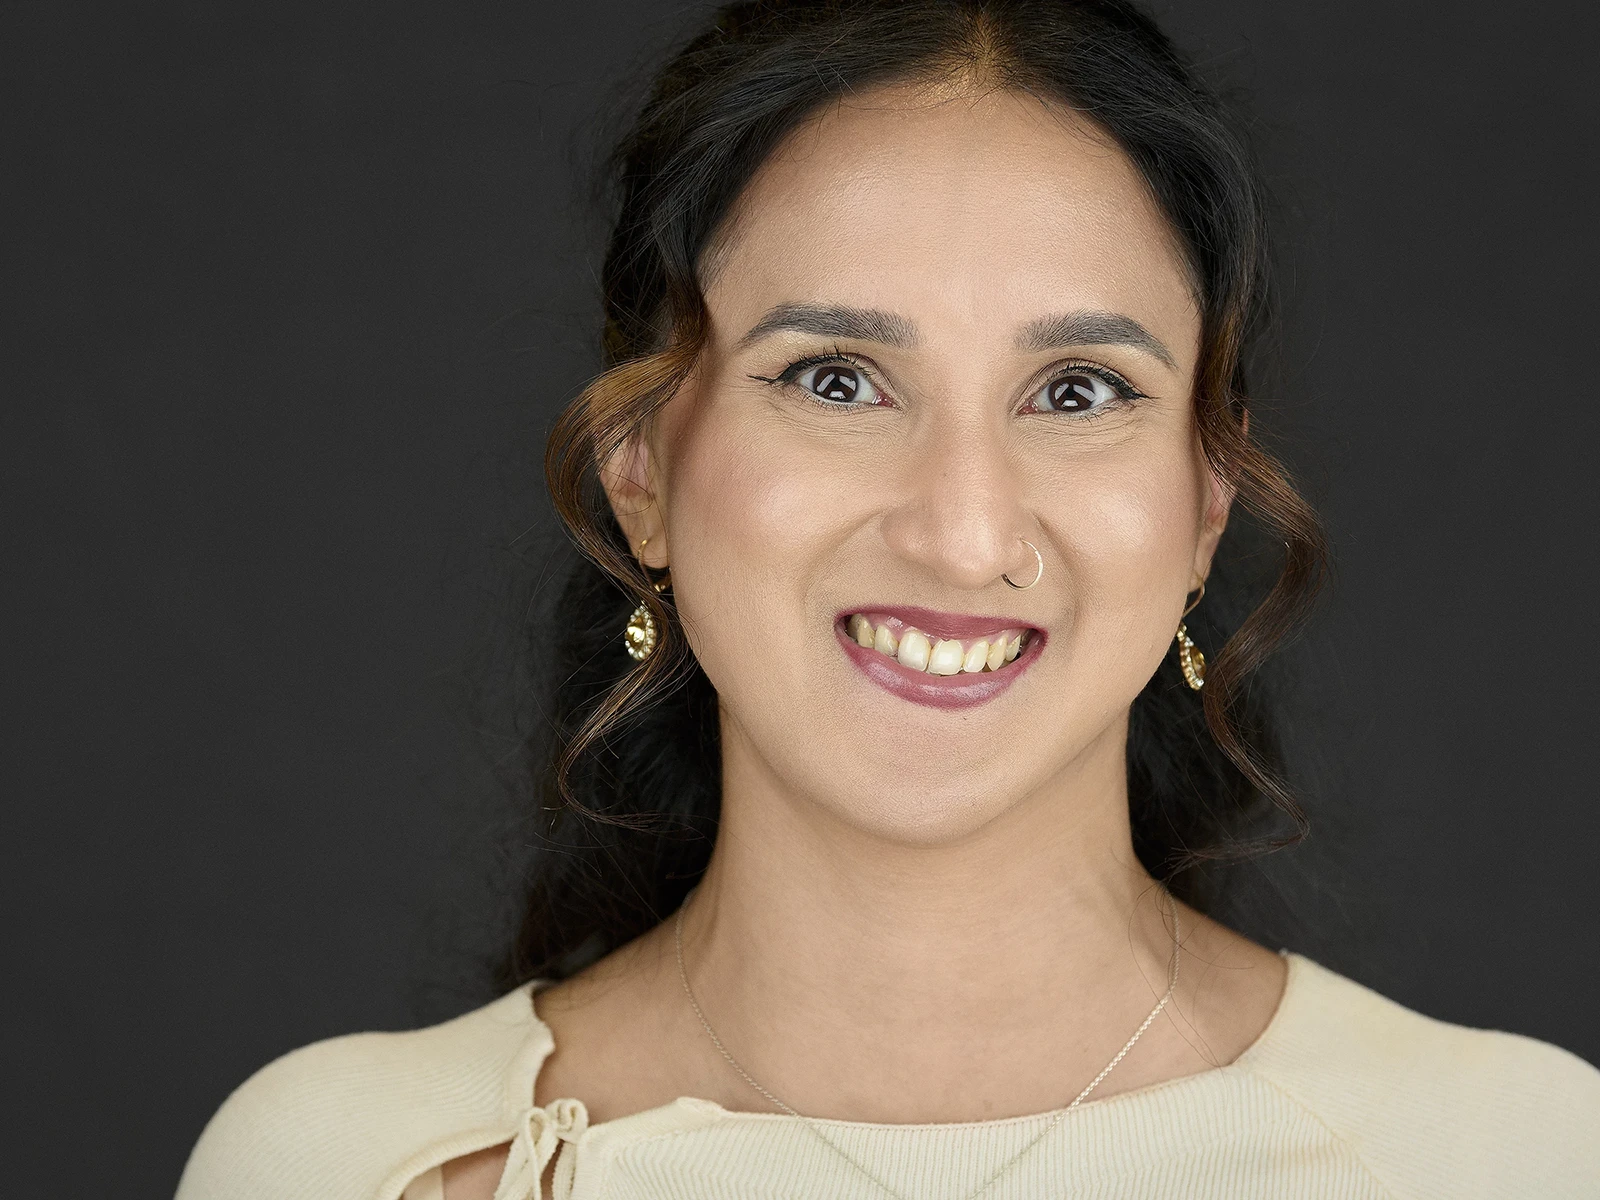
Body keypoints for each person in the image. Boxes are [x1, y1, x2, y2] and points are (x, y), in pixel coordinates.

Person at [175, 2, 1600, 1197]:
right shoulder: (337, 1166)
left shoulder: (1522, 1158)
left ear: (1206, 500)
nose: (962, 531)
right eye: (837, 380)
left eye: (1079, 390)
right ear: (642, 472)